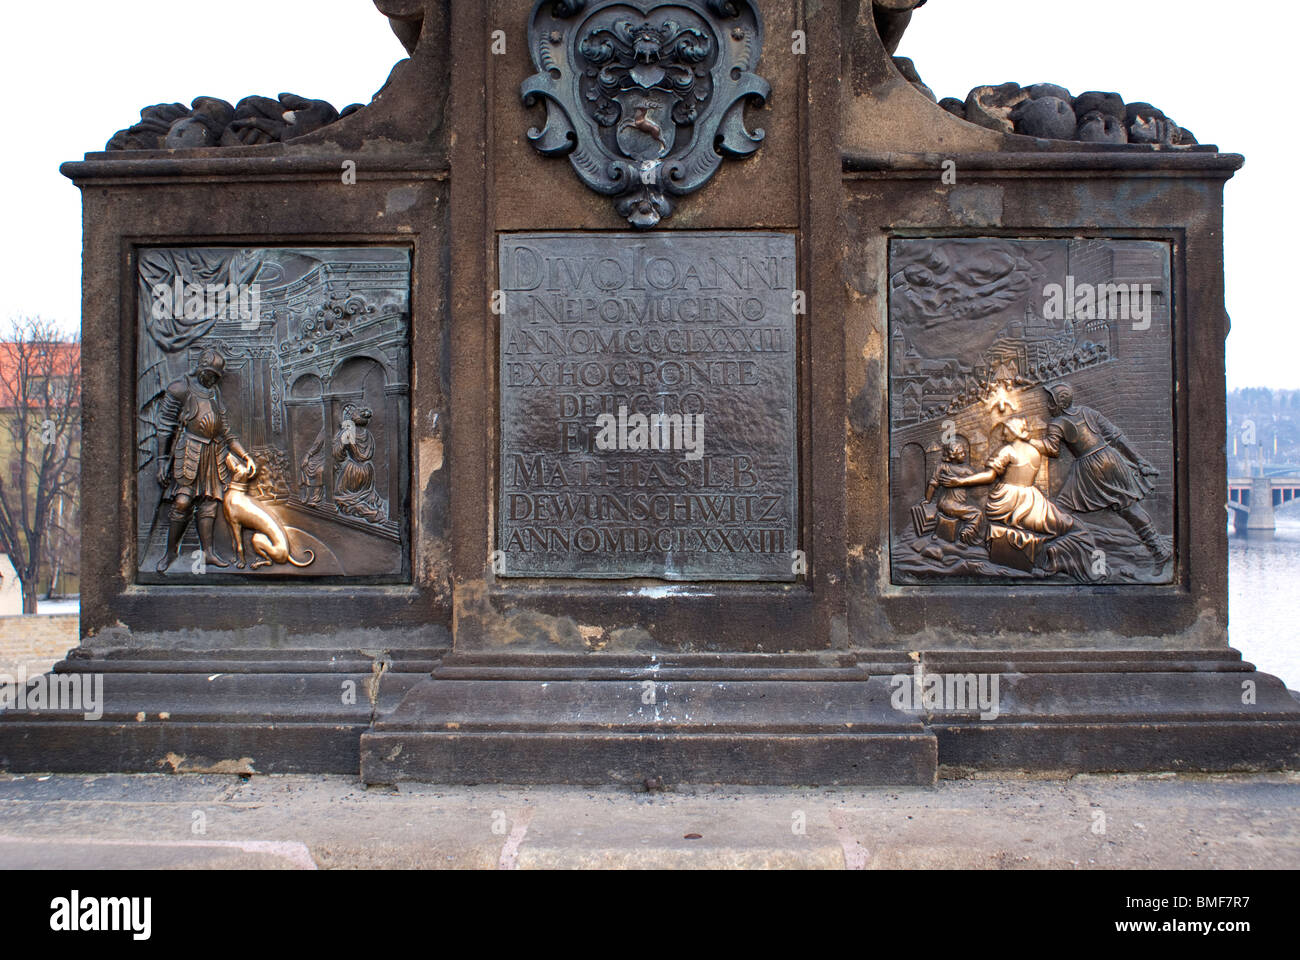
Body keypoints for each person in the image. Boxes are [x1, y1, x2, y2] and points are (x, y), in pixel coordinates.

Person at [940, 417, 1094, 579]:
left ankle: (1044, 551)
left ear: (1013, 431)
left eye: (1005, 429)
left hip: (1006, 502)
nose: (1002, 434)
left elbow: (989, 476)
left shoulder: (1007, 450)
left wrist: (960, 481)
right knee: (1069, 526)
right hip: (1033, 500)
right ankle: (1055, 551)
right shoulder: (1034, 451)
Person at [1035, 382, 1171, 563]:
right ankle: (1158, 550)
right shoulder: (1088, 412)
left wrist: (1026, 440)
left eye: (1051, 402)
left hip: (1089, 468)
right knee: (1129, 506)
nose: (1048, 406)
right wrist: (1139, 460)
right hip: (1111, 459)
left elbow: (1052, 450)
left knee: (1062, 507)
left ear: (1060, 403)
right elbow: (1116, 436)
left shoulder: (1057, 423)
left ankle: (1073, 550)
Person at [154, 348, 256, 573]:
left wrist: (245, 455)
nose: (211, 379)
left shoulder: (214, 393)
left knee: (209, 503)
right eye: (209, 374)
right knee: (182, 502)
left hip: (212, 454)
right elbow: (165, 425)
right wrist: (162, 460)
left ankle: (208, 553)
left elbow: (226, 431)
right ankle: (171, 551)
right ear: (200, 368)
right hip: (189, 449)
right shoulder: (180, 388)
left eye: (215, 376)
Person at [924, 440, 983, 544]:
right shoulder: (965, 470)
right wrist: (927, 500)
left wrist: (927, 500)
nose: (964, 455)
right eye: (960, 453)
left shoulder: (943, 467)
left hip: (945, 503)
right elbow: (932, 485)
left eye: (964, 452)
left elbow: (933, 484)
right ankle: (966, 536)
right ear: (952, 455)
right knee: (977, 513)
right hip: (950, 504)